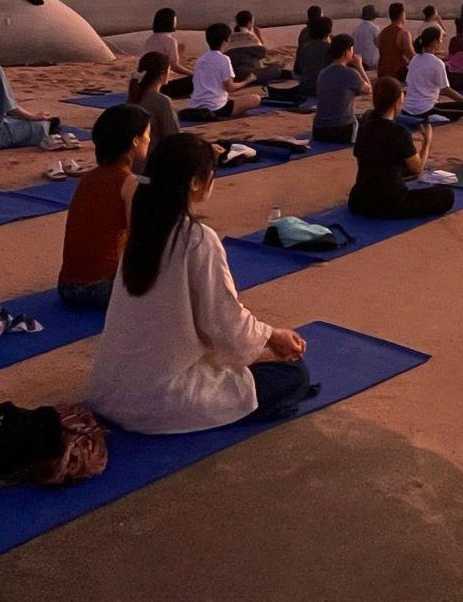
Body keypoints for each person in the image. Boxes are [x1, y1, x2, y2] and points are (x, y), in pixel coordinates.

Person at [88, 135, 312, 434]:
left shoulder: (139, 232)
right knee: (294, 375)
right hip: (157, 401)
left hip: (108, 391)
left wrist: (264, 341)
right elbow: (225, 324)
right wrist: (271, 338)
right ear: (196, 183)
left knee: (255, 361)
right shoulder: (197, 239)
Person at [58, 104, 151, 309]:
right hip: (100, 290)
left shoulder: (88, 178)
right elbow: (139, 242)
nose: (149, 140)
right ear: (135, 140)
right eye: (147, 135)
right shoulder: (129, 183)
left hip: (66, 287)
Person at [350, 77, 456, 218]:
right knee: (446, 196)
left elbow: (365, 164)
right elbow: (418, 169)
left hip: (359, 200)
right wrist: (427, 142)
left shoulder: (364, 128)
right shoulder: (399, 132)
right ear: (397, 102)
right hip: (390, 201)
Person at [186, 22, 263, 120]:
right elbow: (230, 88)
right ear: (227, 40)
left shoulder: (200, 59)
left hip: (196, 106)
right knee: (256, 98)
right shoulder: (224, 59)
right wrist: (247, 81)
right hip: (217, 108)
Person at [312, 32, 369, 145]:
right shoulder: (350, 73)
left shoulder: (323, 73)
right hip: (342, 130)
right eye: (351, 49)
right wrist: (360, 66)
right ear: (346, 52)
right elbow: (368, 90)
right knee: (369, 118)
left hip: (319, 130)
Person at [404, 27, 463, 119]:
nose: (441, 42)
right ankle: (432, 117)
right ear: (435, 42)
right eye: (440, 39)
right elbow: (446, 90)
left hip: (407, 108)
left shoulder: (415, 59)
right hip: (424, 109)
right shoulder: (437, 63)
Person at [127, 51, 183, 150]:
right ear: (163, 73)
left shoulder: (134, 95)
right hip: (153, 157)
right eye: (169, 70)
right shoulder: (161, 101)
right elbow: (173, 137)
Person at [145, 8, 193, 99]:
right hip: (159, 86)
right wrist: (192, 73)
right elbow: (174, 65)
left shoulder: (150, 39)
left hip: (146, 84)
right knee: (194, 80)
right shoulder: (170, 41)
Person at [292, 15, 334, 96]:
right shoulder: (330, 49)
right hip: (322, 89)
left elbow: (298, 70)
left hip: (305, 88)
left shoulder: (306, 47)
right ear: (329, 32)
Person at [376, 2, 413, 84]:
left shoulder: (382, 33)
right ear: (402, 15)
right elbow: (412, 57)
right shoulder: (404, 34)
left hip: (382, 73)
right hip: (397, 74)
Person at [351, 4, 381, 68]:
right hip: (371, 63)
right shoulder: (374, 29)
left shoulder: (356, 29)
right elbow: (380, 45)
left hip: (358, 62)